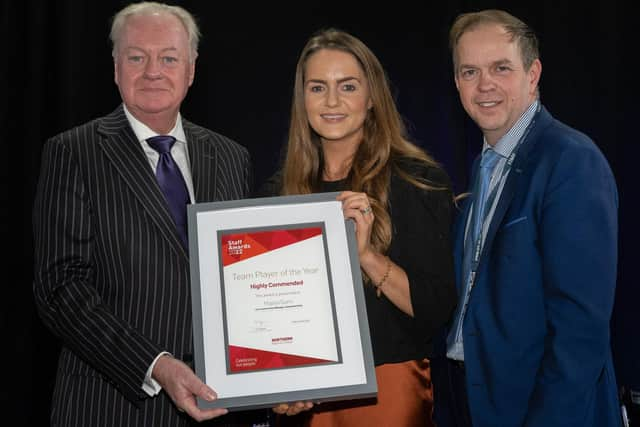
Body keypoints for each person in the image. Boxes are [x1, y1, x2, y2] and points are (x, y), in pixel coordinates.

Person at [31, 2, 267, 426]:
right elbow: (60, 287)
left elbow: (243, 278)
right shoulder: (73, 152)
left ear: (191, 70)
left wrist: (284, 371)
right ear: (116, 67)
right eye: (137, 57)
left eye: (169, 58)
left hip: (216, 406)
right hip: (110, 406)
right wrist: (155, 364)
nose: (153, 70)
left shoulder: (232, 157)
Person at [431, 9, 622, 427]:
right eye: (469, 72)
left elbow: (579, 332)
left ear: (533, 73)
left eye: (501, 68)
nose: (485, 86)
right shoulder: (484, 167)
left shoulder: (570, 161)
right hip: (475, 405)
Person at [257, 28, 457, 426]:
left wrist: (365, 255)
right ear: (303, 100)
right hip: (304, 403)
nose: (332, 101)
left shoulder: (417, 182)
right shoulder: (277, 193)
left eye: (347, 86)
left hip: (386, 399)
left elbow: (437, 311)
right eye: (317, 88)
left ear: (371, 99)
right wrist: (275, 383)